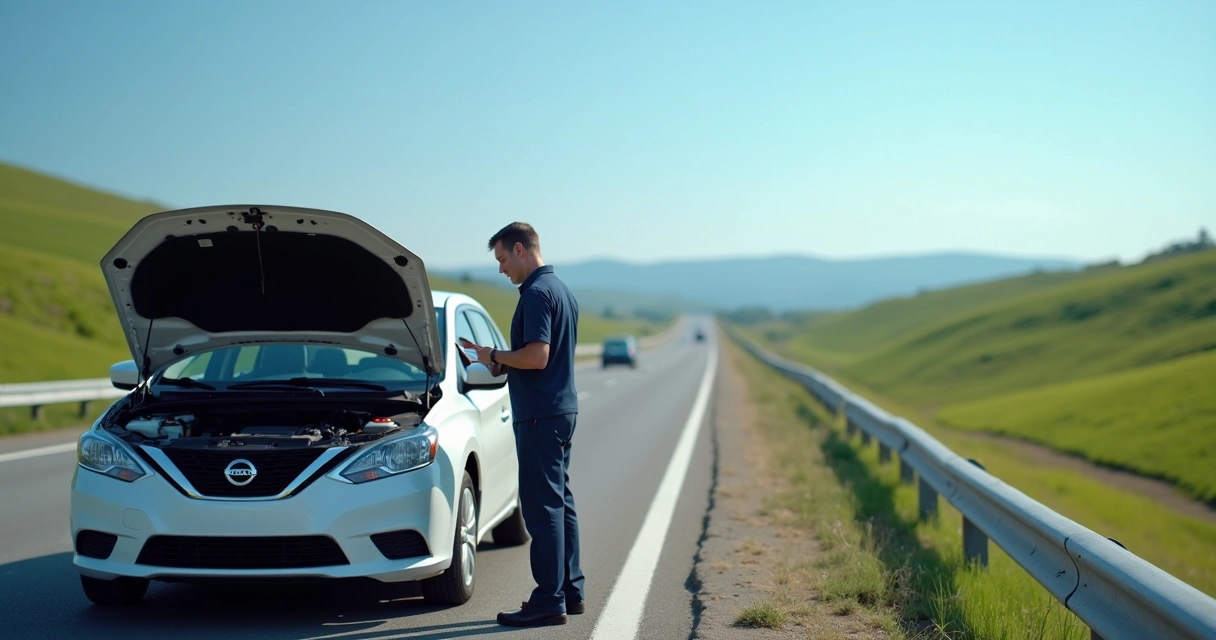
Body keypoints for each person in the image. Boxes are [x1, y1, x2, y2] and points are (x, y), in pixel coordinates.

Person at [463, 221, 585, 628]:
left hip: (540, 414)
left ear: (519, 249)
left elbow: (536, 357)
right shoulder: (562, 290)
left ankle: (548, 600)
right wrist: (499, 358)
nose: (501, 269)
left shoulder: (535, 295)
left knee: (541, 506)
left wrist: (494, 355)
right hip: (561, 411)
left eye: (501, 259)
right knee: (561, 502)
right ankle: (571, 590)